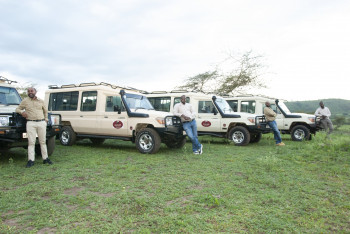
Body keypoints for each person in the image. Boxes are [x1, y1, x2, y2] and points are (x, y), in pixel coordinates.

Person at [16, 87, 53, 167]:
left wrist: (46, 119)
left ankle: (45, 158)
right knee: (31, 142)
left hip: (41, 122)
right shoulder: (25, 101)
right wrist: (22, 112)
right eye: (28, 91)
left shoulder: (41, 101)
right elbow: (17, 109)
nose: (30, 92)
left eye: (31, 91)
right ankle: (31, 160)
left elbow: (45, 111)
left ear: (35, 92)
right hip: (30, 123)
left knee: (42, 142)